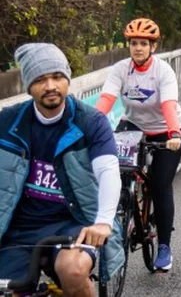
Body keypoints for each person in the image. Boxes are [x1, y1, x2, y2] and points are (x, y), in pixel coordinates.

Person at [0, 43, 124, 294]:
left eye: (57, 77)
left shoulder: (90, 122)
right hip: (19, 227)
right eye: (40, 79)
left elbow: (108, 171)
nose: (50, 86)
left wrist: (103, 223)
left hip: (74, 222)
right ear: (28, 85)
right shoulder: (8, 121)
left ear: (67, 78)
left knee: (74, 270)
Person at [96, 18, 181, 271]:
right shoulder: (121, 69)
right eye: (134, 43)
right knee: (120, 174)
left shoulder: (163, 71)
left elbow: (168, 105)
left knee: (160, 184)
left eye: (143, 44)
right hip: (134, 126)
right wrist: (90, 125)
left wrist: (174, 134)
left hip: (167, 131)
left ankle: (165, 248)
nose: (138, 48)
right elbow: (107, 99)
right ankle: (126, 210)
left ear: (152, 47)